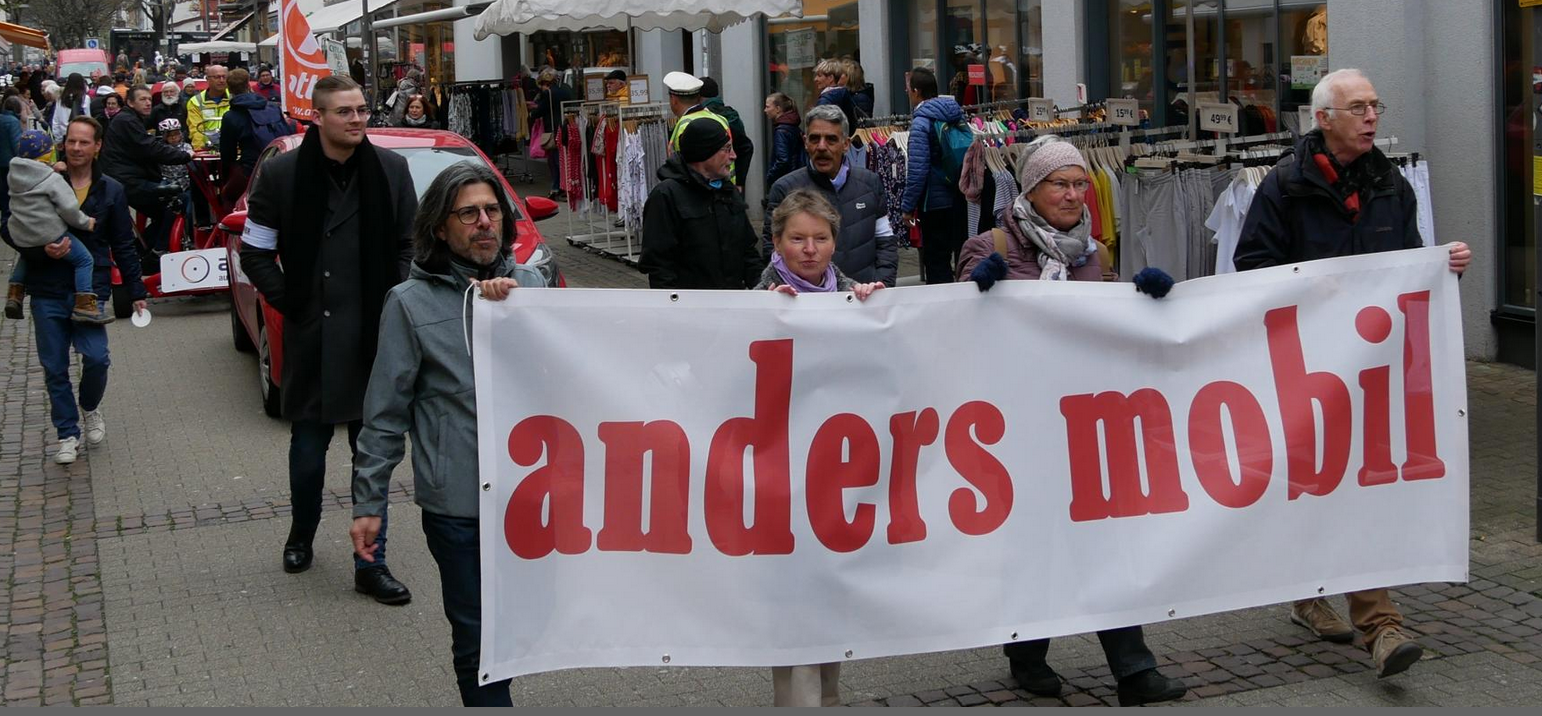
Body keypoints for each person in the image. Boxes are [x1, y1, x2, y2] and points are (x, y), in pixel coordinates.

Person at [1232, 68, 1471, 679]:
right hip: (1308, 365)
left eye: (1375, 106)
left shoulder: (1391, 183)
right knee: (1316, 481)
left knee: (1360, 484)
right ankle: (1313, 594)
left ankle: (1379, 625)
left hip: (1372, 363)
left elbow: (1410, 260)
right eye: (1359, 107)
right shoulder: (1284, 186)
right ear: (1324, 119)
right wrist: (1319, 292)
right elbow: (1251, 265)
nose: (1371, 117)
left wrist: (1444, 268)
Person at [953, 136, 1188, 707]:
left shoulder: (1093, 255)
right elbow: (954, 335)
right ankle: (1027, 653)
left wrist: (1141, 301)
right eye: (1061, 183)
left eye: (1081, 183)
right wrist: (973, 292)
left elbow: (1105, 333)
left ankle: (1134, 670)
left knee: (1104, 541)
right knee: (1035, 543)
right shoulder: (991, 245)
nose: (1075, 194)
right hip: (1017, 427)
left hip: (1084, 423)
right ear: (1032, 188)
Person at [348, 161, 544, 707]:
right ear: (439, 226)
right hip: (458, 504)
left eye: (492, 211)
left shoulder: (533, 286)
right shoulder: (408, 304)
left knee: (535, 625)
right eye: (468, 214)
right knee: (477, 639)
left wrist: (517, 310)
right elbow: (384, 415)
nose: (484, 223)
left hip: (533, 497)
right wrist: (369, 504)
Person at [237, 75, 418, 604]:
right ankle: (301, 535)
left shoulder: (391, 169)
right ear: (317, 116)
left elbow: (408, 245)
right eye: (345, 111)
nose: (357, 119)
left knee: (373, 451)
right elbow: (255, 253)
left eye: (362, 109)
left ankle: (371, 563)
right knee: (308, 449)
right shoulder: (282, 173)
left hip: (375, 333)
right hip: (312, 335)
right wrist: (294, 303)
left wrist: (395, 301)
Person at [754, 189, 884, 707]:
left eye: (820, 238)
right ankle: (797, 701)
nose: (810, 250)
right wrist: (762, 317)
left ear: (835, 242)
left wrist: (877, 313)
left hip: (834, 473)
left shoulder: (854, 296)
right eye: (797, 239)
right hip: (782, 473)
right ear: (777, 243)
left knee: (829, 593)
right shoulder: (757, 301)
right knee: (792, 597)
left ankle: (827, 697)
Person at [4, 116, 147, 465]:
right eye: (71, 141)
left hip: (90, 289)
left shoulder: (111, 190)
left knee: (96, 358)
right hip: (47, 285)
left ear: (97, 146)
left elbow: (123, 243)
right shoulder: (40, 176)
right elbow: (8, 223)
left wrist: (137, 290)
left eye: (84, 142)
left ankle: (90, 407)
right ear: (62, 144)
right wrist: (40, 249)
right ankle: (67, 433)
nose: (76, 148)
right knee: (54, 367)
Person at [761, 104, 896, 286]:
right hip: (807, 298)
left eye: (831, 139)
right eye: (815, 139)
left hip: (865, 295)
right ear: (805, 142)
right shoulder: (784, 189)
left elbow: (886, 240)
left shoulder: (870, 183)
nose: (822, 146)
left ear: (846, 144)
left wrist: (882, 285)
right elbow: (772, 249)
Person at [639, 117, 760, 289]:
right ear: (705, 152)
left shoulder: (728, 191)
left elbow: (748, 252)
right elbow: (659, 265)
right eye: (726, 149)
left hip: (733, 301)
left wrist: (764, 291)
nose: (733, 156)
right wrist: (672, 303)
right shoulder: (666, 195)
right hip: (689, 303)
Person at [6, 129, 102, 323]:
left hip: (21, 234)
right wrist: (86, 222)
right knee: (84, 260)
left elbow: (35, 170)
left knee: (26, 255)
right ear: (48, 153)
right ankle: (85, 304)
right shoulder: (52, 180)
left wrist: (50, 167)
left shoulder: (14, 175)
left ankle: (14, 294)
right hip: (49, 233)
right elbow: (69, 209)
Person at [99, 85, 192, 257]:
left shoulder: (130, 119)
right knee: (175, 204)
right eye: (142, 99)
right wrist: (184, 155)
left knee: (165, 210)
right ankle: (156, 252)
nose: (148, 103)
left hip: (125, 178)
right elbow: (149, 148)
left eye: (149, 99)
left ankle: (142, 251)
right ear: (130, 102)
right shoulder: (127, 120)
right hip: (127, 182)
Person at [901, 67, 967, 284]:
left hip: (934, 202)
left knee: (936, 260)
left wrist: (908, 207)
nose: (907, 92)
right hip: (960, 194)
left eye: (909, 88)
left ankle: (944, 302)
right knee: (960, 253)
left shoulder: (921, 123)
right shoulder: (955, 115)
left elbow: (917, 170)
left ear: (916, 91)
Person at [220, 68, 292, 201]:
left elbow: (227, 154)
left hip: (252, 171)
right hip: (283, 165)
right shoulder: (273, 107)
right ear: (248, 84)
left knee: (227, 196)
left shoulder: (231, 116)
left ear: (229, 89)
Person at [664, 72, 744, 189]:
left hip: (700, 193)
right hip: (726, 189)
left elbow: (686, 169)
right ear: (699, 97)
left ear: (674, 99)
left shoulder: (685, 126)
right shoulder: (720, 119)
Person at [697, 77, 754, 188]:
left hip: (709, 182)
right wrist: (740, 182)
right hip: (731, 183)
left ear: (699, 96)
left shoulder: (702, 116)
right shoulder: (731, 114)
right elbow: (746, 148)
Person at [530, 68, 572, 200]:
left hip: (554, 130)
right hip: (568, 127)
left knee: (555, 161)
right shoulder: (566, 88)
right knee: (564, 160)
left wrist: (532, 113)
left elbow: (540, 110)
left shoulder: (548, 93)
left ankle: (557, 188)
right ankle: (564, 187)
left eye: (542, 84)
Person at [157, 118, 194, 249]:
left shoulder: (186, 147)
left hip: (185, 182)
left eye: (176, 134)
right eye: (170, 135)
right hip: (168, 181)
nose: (173, 138)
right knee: (163, 206)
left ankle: (192, 237)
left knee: (189, 212)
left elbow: (191, 157)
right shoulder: (161, 149)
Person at [762, 91, 804, 189]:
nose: (765, 110)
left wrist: (770, 177)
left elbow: (783, 160)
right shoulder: (792, 127)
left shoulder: (781, 131)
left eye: (768, 107)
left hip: (787, 182)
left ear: (778, 109)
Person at [186, 64, 231, 151]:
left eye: (224, 77)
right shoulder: (195, 102)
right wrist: (200, 151)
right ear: (207, 79)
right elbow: (196, 130)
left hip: (232, 151)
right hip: (207, 152)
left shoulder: (234, 98)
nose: (221, 80)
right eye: (217, 77)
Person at [813, 59, 858, 135]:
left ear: (830, 78)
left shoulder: (825, 101)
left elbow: (819, 128)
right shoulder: (843, 95)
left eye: (819, 76)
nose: (816, 79)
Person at [50, 74, 90, 144]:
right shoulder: (85, 98)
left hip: (64, 134)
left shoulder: (61, 99)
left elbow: (56, 120)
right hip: (80, 133)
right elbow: (88, 117)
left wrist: (58, 139)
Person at [0, 94, 20, 216]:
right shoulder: (13, 121)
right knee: (9, 191)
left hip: (1, 161)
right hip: (10, 162)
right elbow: (16, 143)